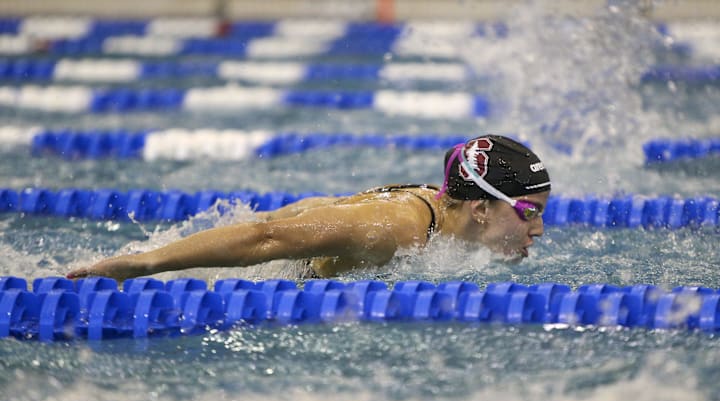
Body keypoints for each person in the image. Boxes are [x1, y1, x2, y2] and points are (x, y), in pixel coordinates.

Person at [66, 134, 551, 282]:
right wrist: (145, 263)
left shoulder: (446, 213)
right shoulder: (398, 229)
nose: (541, 229)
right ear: (483, 208)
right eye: (530, 211)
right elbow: (266, 239)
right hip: (253, 278)